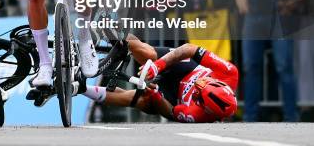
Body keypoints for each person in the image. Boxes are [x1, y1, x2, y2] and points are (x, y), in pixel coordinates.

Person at [78, 36, 238, 123]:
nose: (198, 85)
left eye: (197, 93)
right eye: (205, 82)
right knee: (148, 54)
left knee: (141, 101)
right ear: (219, 82)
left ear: (204, 107)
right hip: (185, 68)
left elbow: (170, 112)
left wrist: (156, 96)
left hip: (173, 95)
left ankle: (79, 87)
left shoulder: (198, 115)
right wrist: (159, 65)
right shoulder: (229, 72)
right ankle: (110, 31)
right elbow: (189, 49)